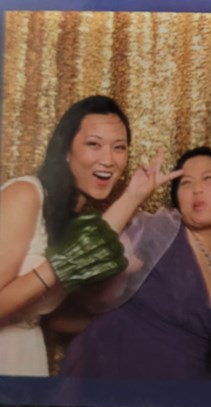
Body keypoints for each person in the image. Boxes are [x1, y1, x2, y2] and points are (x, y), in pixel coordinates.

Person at [58, 146, 211, 380]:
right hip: (110, 376)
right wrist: (133, 196)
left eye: (208, 178)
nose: (197, 190)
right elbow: (85, 256)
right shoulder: (158, 232)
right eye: (185, 183)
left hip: (182, 395)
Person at [0, 96, 131, 376]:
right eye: (93, 144)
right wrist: (58, 267)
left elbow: (50, 317)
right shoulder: (26, 195)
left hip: (27, 358)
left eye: (119, 147)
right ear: (66, 151)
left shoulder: (68, 220)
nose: (108, 159)